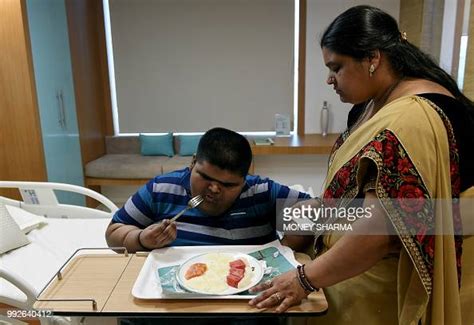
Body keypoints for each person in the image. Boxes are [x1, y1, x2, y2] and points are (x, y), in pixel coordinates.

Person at [248, 5, 474, 325]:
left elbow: (381, 229)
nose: (329, 79)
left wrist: (305, 279)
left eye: (336, 67)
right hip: (347, 268)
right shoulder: (369, 107)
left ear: (372, 58)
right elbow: (357, 195)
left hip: (382, 285)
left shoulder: (413, 118)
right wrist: (315, 215)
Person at [106, 127, 311, 252]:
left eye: (228, 185)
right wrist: (141, 240)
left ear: (244, 179)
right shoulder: (161, 189)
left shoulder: (261, 192)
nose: (213, 189)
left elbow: (324, 212)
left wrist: (287, 247)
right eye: (205, 177)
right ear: (193, 163)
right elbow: (114, 232)